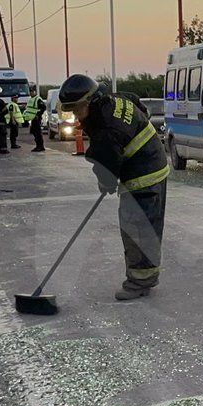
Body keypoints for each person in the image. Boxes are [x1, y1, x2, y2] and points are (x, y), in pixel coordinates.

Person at [58, 75, 169, 301]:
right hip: (153, 164)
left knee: (135, 228)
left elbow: (106, 166)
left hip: (143, 175)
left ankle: (139, 281)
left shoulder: (107, 129)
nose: (76, 116)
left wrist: (105, 184)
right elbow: (136, 101)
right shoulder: (113, 99)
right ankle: (145, 277)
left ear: (91, 101)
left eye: (78, 109)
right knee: (146, 226)